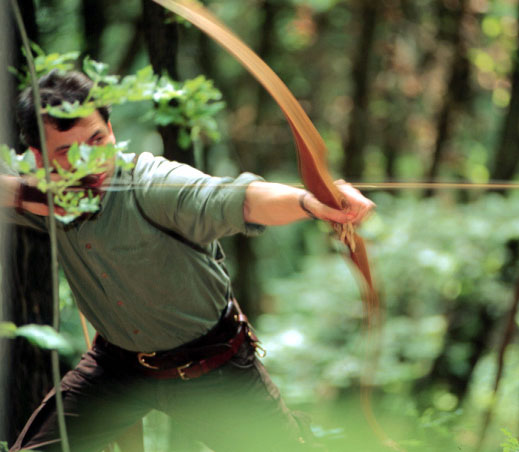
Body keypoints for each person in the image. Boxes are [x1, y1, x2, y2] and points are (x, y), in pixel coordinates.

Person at [2, 70, 375, 452]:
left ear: (111, 129)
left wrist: (311, 202)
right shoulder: (47, 194)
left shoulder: (153, 184)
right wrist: (30, 195)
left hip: (211, 368)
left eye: (98, 139)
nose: (92, 160)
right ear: (38, 157)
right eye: (66, 151)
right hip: (116, 369)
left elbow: (236, 199)